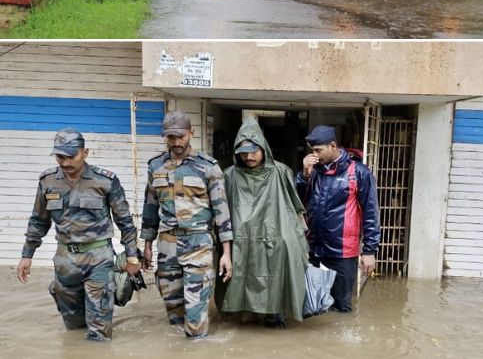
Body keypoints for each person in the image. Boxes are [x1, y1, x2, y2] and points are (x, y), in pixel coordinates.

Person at [16, 129, 141, 342]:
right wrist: (27, 255)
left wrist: (132, 257)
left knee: (99, 330)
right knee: (73, 328)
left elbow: (125, 223)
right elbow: (38, 221)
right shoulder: (47, 182)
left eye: (70, 156)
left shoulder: (105, 181)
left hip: (98, 258)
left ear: (85, 152)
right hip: (65, 260)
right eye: (59, 157)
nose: (64, 162)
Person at [141, 111, 233, 339]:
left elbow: (222, 212)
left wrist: (226, 253)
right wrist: (147, 245)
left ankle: (196, 346)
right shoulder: (156, 166)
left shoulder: (208, 167)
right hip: (167, 245)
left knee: (195, 313)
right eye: (170, 137)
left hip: (199, 243)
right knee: (172, 309)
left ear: (191, 133)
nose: (176, 142)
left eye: (180, 137)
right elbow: (150, 208)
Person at [218, 116, 309, 327]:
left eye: (253, 151)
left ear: (263, 148)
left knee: (275, 281)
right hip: (242, 241)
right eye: (243, 152)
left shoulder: (280, 172)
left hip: (274, 239)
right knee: (242, 281)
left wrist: (302, 243)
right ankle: (246, 316)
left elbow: (295, 209)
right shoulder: (229, 176)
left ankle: (274, 317)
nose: (249, 157)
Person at [295, 125, 381, 313]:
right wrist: (304, 176)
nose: (314, 155)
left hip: (343, 251)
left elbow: (370, 213)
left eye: (318, 150)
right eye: (312, 150)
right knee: (312, 304)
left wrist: (369, 251)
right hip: (314, 248)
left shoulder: (359, 172)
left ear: (333, 146)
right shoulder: (313, 171)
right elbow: (295, 201)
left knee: (342, 306)